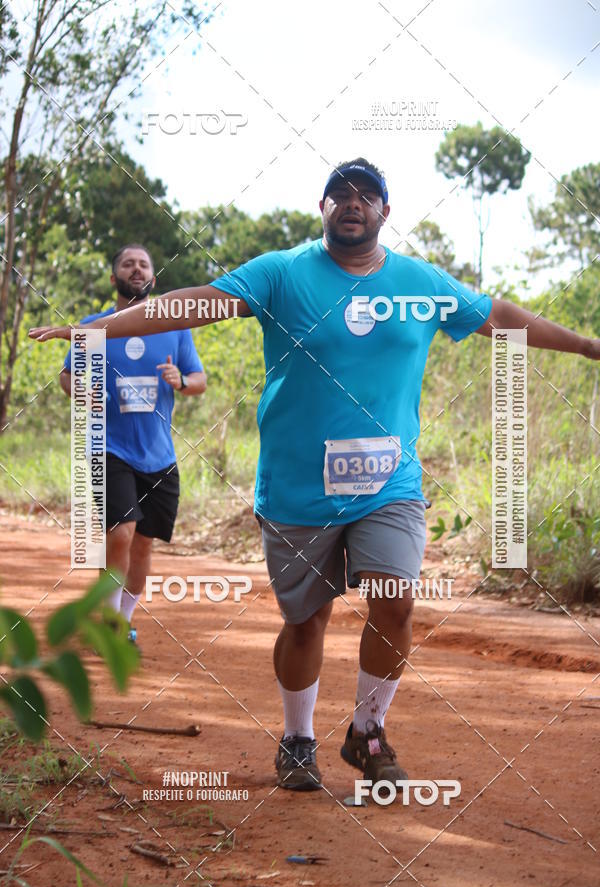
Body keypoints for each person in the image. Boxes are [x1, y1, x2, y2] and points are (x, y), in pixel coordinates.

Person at [31, 158, 600, 790]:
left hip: (389, 485)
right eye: (339, 194)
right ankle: (298, 738)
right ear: (322, 207)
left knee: (396, 600)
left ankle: (367, 732)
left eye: (367, 195)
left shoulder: (421, 283)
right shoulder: (280, 273)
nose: (352, 203)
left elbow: (502, 317)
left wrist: (587, 345)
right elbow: (182, 307)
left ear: (386, 211)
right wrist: (95, 332)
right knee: (306, 622)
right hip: (298, 486)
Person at [60, 243, 206, 645]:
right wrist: (80, 391)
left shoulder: (173, 328)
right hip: (109, 448)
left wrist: (181, 380)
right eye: (128, 263)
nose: (136, 269)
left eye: (144, 264)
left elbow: (199, 380)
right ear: (115, 278)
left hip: (159, 454)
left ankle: (124, 618)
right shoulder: (94, 328)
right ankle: (107, 622)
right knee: (121, 531)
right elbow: (67, 376)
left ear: (153, 278)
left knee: (143, 544)